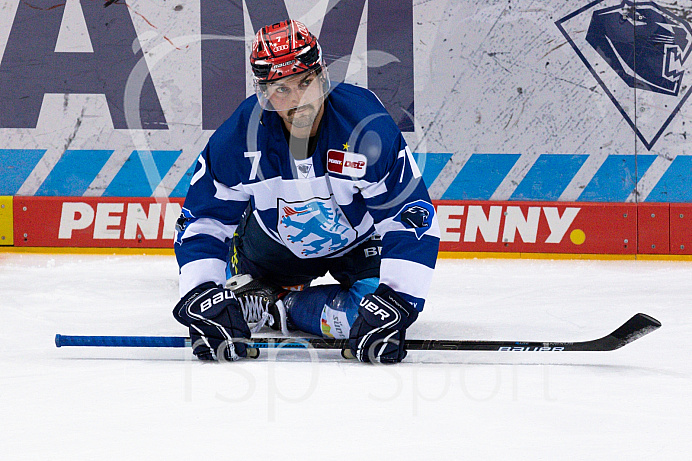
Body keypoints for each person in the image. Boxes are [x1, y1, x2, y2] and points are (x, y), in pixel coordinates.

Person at [172, 19, 439, 363]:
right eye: (281, 89)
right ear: (264, 91)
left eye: (305, 82)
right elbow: (204, 218)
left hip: (358, 243)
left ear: (321, 74)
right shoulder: (238, 137)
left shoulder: (365, 127)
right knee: (220, 305)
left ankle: (281, 306)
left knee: (368, 316)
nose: (298, 100)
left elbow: (409, 217)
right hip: (273, 245)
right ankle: (246, 273)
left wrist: (400, 300)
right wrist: (201, 292)